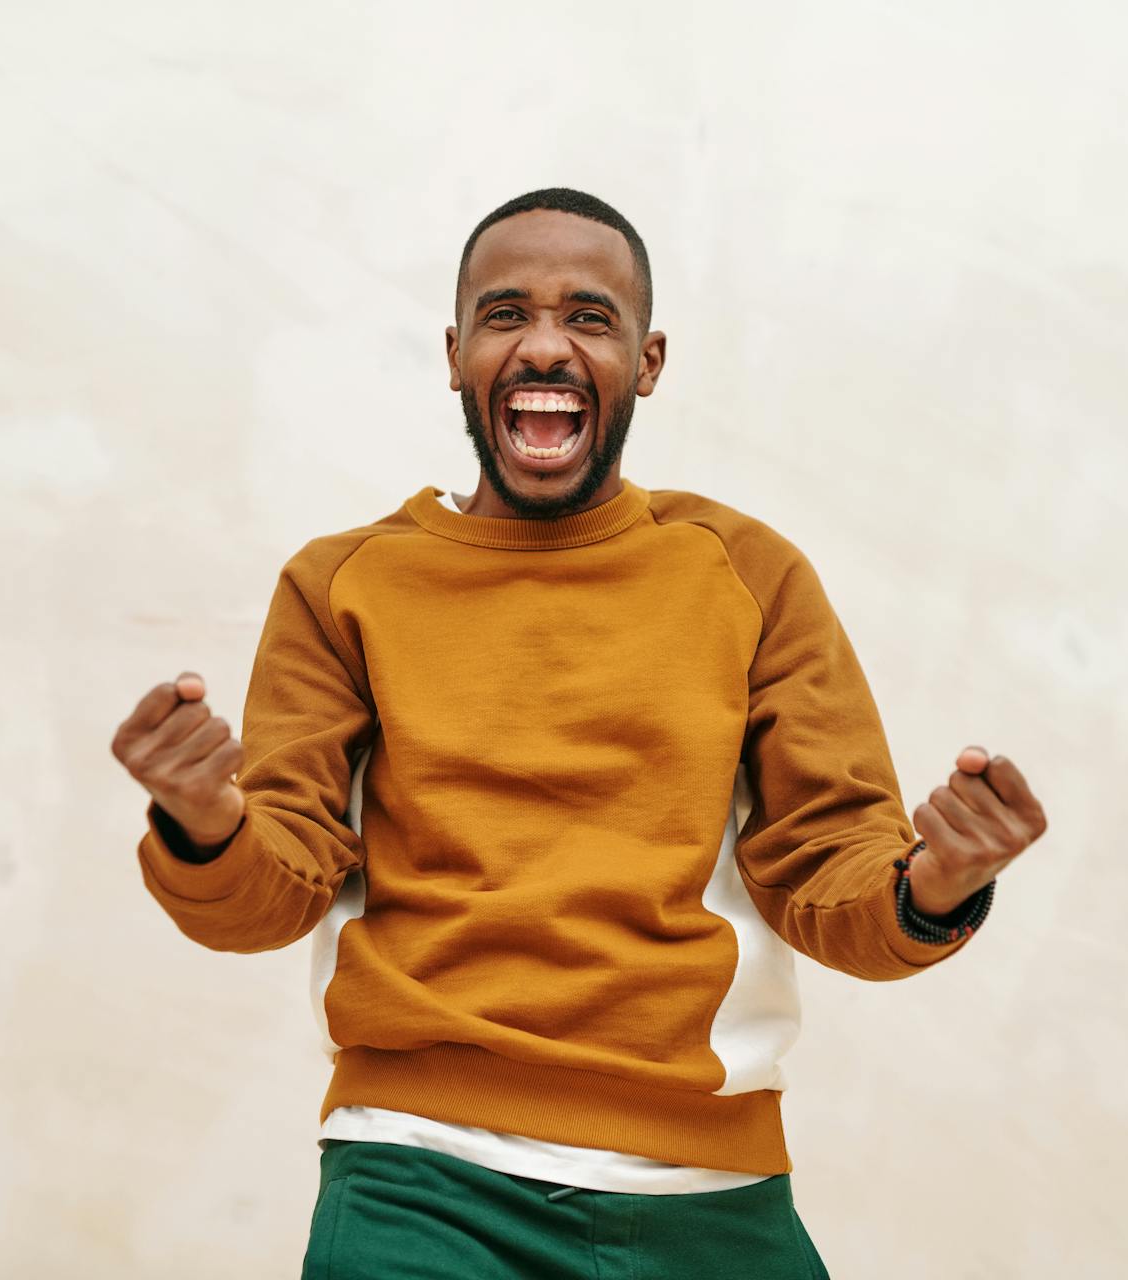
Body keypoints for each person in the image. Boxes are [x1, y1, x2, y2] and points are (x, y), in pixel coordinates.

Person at [110, 188, 1050, 1279]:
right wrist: (205, 820)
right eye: (505, 315)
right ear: (456, 353)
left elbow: (829, 879)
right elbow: (274, 890)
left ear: (647, 361)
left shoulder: (747, 574)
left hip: (710, 1195)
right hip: (419, 1180)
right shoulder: (344, 585)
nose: (545, 343)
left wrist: (937, 880)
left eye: (588, 317)